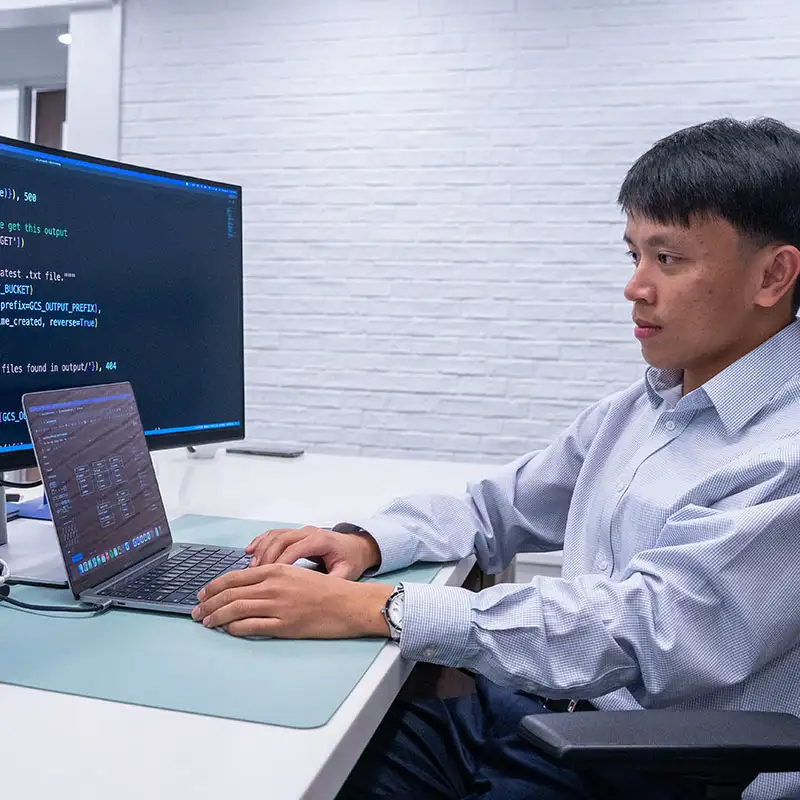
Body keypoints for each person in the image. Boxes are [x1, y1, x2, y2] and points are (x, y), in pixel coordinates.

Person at [192, 117, 800, 800]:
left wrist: (377, 609)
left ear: (773, 275)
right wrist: (361, 542)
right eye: (633, 256)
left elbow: (645, 632)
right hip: (540, 720)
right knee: (286, 769)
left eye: (668, 259)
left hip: (655, 770)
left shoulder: (784, 455)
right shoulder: (650, 402)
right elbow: (500, 503)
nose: (635, 287)